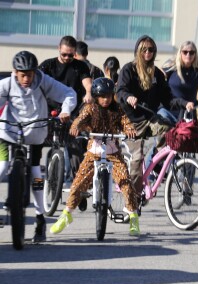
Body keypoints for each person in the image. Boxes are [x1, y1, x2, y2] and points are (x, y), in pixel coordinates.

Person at [0, 50, 76, 243]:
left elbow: (68, 93)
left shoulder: (43, 81)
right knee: (2, 168)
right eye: (22, 74)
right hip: (9, 132)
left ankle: (40, 217)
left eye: (29, 74)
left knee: (36, 173)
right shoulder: (7, 84)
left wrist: (66, 110)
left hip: (35, 132)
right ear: (15, 72)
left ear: (35, 72)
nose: (26, 78)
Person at [50, 77, 140, 236]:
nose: (106, 100)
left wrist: (130, 129)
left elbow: (126, 122)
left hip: (113, 153)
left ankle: (133, 217)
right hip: (94, 153)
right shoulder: (90, 108)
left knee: (126, 182)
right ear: (96, 97)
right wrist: (76, 126)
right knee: (78, 183)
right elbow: (80, 119)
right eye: (102, 96)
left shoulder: (117, 109)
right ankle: (66, 214)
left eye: (109, 96)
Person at [116, 35, 184, 201]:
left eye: (151, 49)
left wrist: (185, 103)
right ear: (138, 51)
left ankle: (155, 164)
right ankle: (131, 198)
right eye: (144, 49)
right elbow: (120, 91)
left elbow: (168, 99)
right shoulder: (128, 70)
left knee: (170, 130)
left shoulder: (157, 75)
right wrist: (128, 97)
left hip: (149, 119)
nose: (148, 52)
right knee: (137, 159)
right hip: (130, 121)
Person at [39, 36, 93, 192]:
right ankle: (36, 183)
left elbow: (87, 83)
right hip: (50, 112)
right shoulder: (47, 66)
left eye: (71, 55)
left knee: (76, 151)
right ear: (59, 49)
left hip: (71, 113)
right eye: (64, 54)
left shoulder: (80, 67)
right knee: (34, 155)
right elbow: (36, 83)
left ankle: (80, 189)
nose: (68, 58)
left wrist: (88, 93)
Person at [161, 40, 198, 121]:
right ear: (180, 53)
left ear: (195, 54)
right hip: (169, 111)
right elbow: (158, 81)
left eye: (191, 52)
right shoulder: (171, 65)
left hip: (188, 113)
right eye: (185, 52)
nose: (188, 55)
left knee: (194, 133)